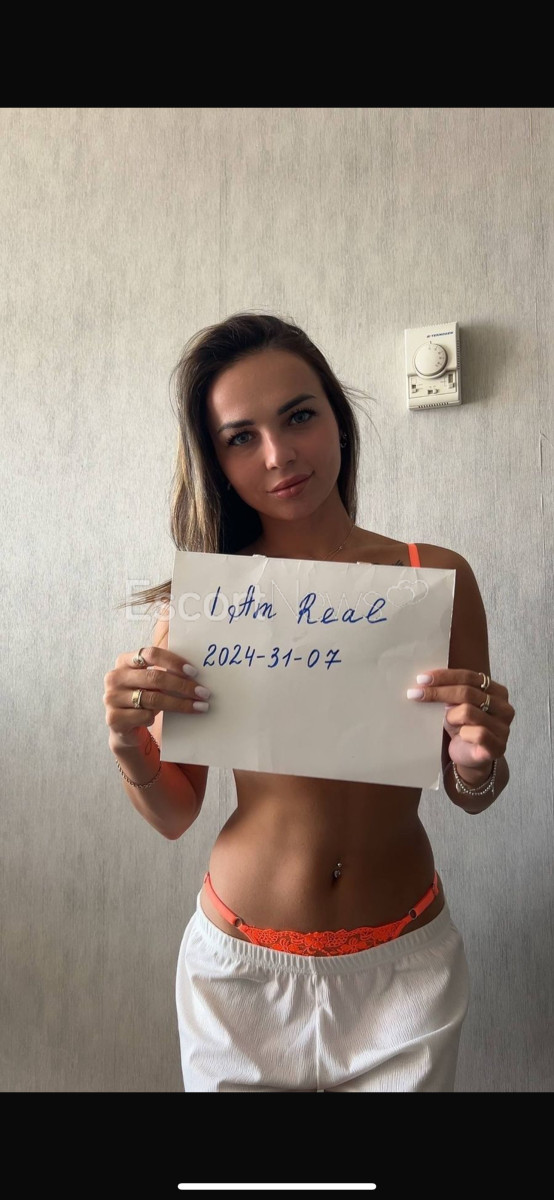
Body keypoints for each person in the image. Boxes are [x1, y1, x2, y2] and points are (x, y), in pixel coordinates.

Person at [104, 312, 515, 1092]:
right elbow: (174, 813)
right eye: (241, 437)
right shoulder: (208, 602)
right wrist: (130, 747)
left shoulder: (434, 577)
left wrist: (475, 762)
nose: (279, 454)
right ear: (216, 460)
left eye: (298, 417)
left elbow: (475, 792)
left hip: (405, 968)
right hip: (239, 974)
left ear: (338, 418)